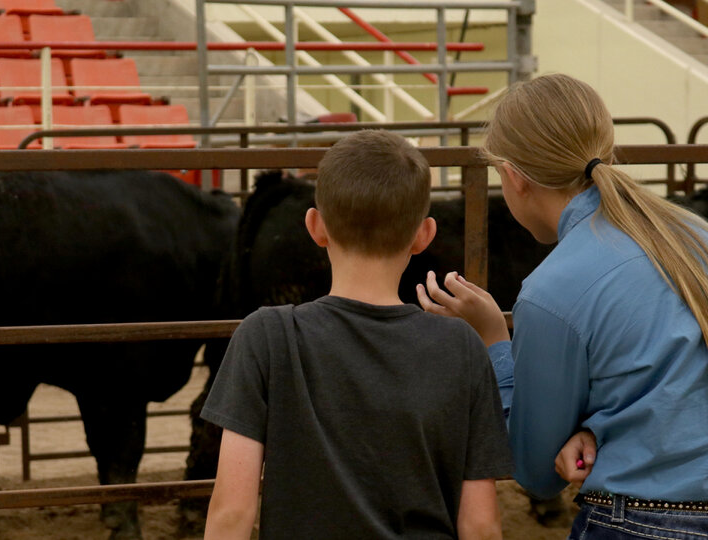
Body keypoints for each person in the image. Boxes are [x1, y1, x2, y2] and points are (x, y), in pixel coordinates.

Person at [418, 73, 708, 538]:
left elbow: (537, 473)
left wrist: (494, 340)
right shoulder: (694, 236)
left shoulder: (551, 290)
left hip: (639, 523)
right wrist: (604, 426)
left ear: (514, 177)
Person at [201, 130, 513, 540]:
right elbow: (480, 525)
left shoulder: (265, 336)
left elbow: (232, 514)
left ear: (315, 226)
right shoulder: (462, 346)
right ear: (424, 235)